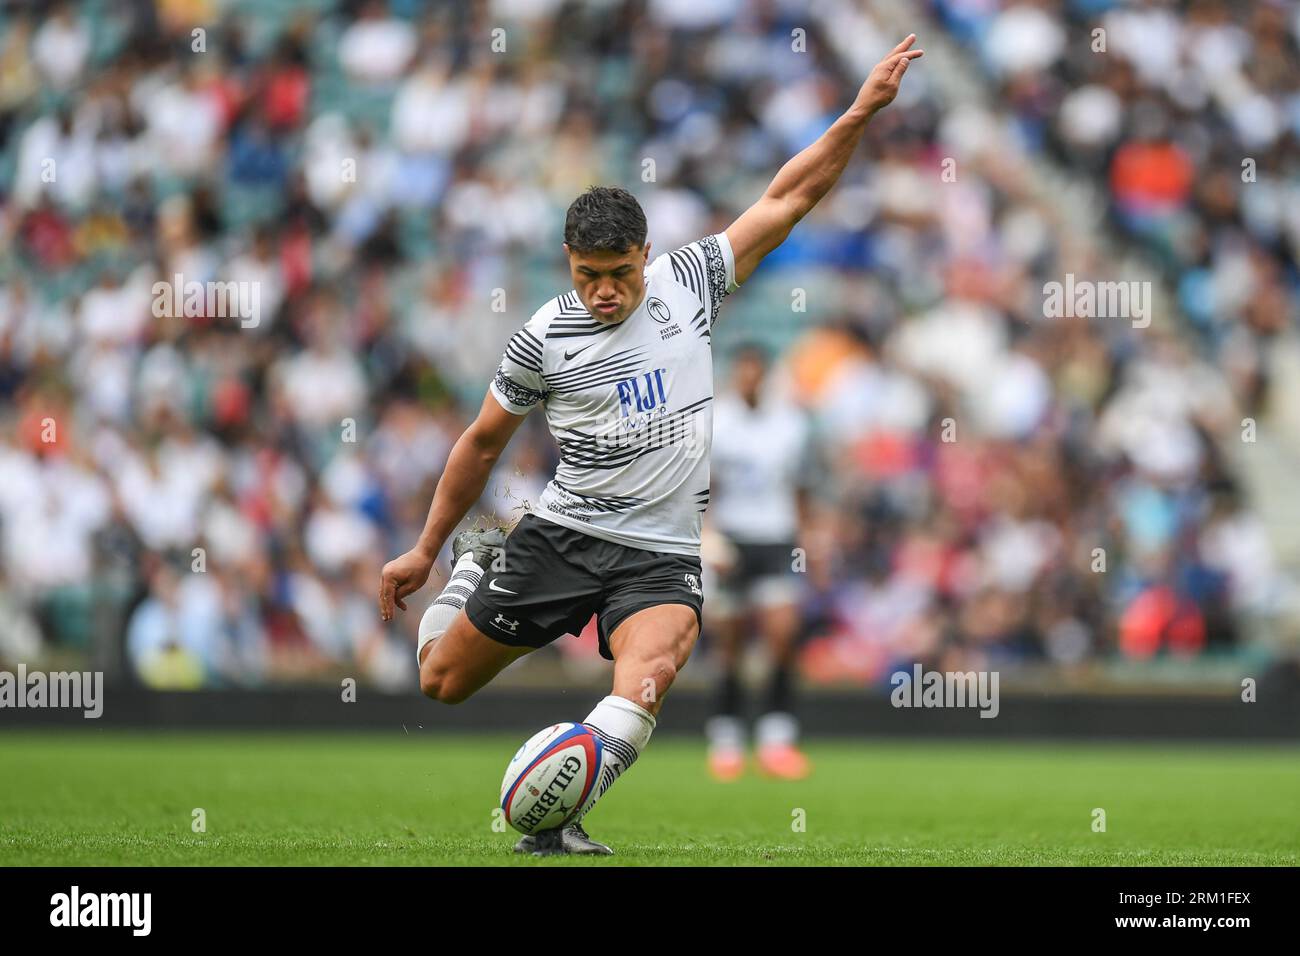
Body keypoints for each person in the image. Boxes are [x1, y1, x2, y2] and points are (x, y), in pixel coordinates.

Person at [378, 35, 924, 856]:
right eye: (588, 274)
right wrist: (427, 549)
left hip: (661, 553)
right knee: (441, 682)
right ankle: (472, 566)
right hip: (562, 535)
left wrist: (857, 112)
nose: (604, 291)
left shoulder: (689, 282)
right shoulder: (542, 340)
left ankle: (551, 822)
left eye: (620, 273)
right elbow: (481, 443)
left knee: (648, 683)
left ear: (645, 257)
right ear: (568, 261)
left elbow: (789, 196)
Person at [705, 344, 815, 781]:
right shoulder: (716, 421)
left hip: (775, 537)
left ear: (765, 375)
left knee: (782, 633)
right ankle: (727, 739)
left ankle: (776, 737)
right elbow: (701, 487)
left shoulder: (790, 424)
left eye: (756, 372)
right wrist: (708, 539)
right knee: (728, 644)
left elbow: (802, 485)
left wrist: (807, 537)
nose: (749, 379)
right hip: (730, 539)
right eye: (743, 372)